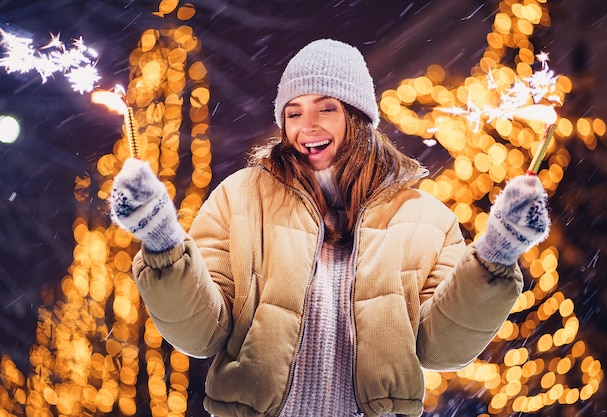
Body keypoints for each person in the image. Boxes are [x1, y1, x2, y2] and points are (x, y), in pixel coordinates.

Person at [109, 39, 550, 417]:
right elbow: (202, 334)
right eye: (294, 113)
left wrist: (497, 252)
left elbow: (443, 349)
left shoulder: (425, 219)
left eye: (326, 108)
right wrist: (161, 240)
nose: (308, 126)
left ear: (356, 119)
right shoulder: (238, 198)